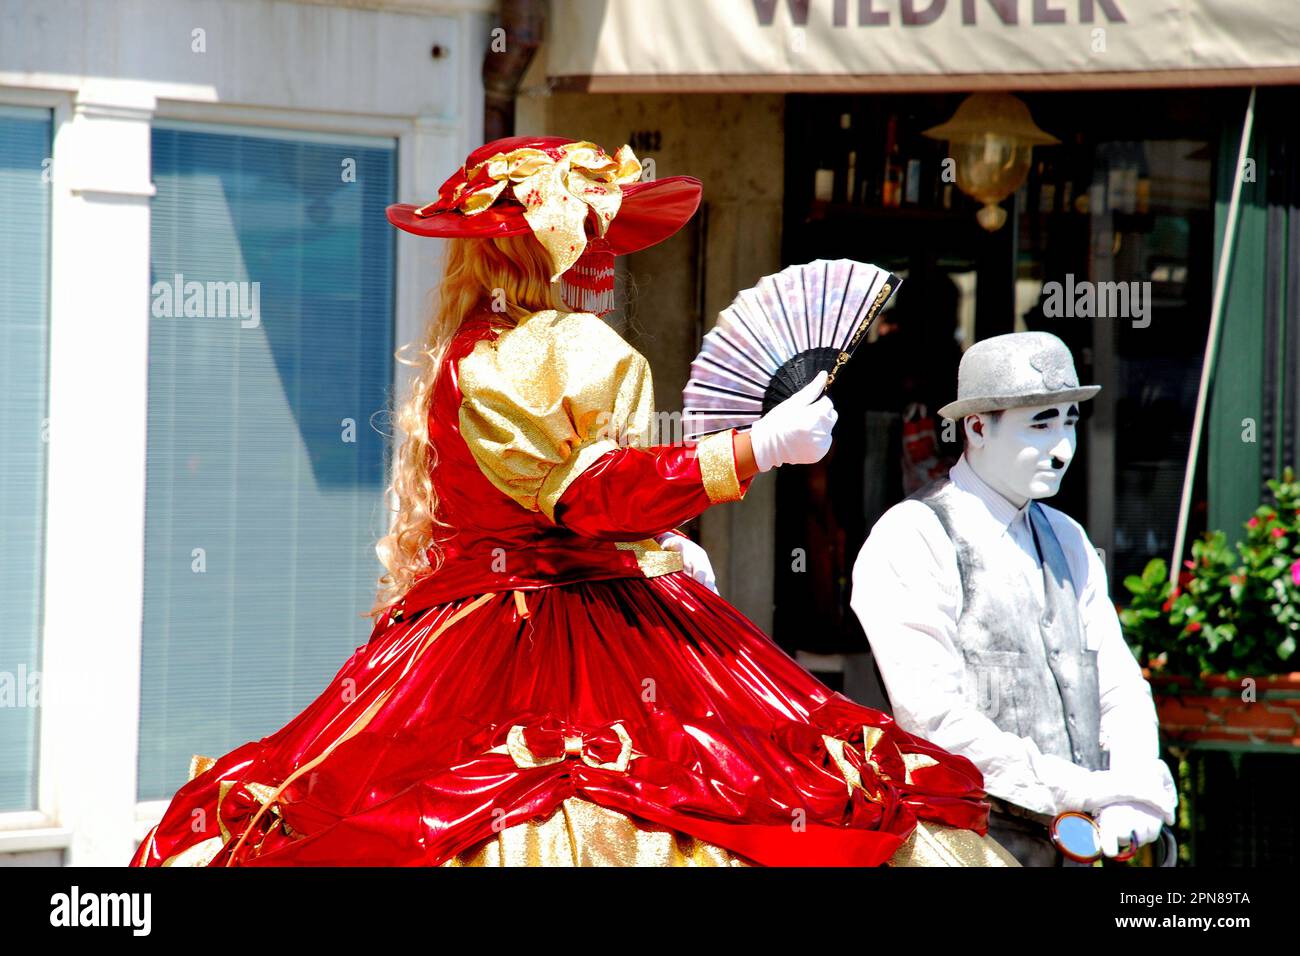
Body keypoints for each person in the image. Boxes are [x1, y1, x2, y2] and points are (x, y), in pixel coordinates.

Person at [130, 135, 1015, 868]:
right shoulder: (535, 348)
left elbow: (600, 496)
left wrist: (671, 532)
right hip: (531, 632)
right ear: (534, 246)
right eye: (589, 232)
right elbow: (592, 496)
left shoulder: (495, 344)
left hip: (546, 615)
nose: (604, 258)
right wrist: (752, 448)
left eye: (610, 234)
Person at [850, 331, 1178, 866]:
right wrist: (1087, 790)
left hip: (1085, 846)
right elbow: (933, 720)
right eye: (1041, 424)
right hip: (966, 847)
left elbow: (1118, 681)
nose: (1063, 448)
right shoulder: (912, 536)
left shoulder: (1069, 537)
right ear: (977, 426)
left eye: (1070, 421)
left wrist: (1133, 782)